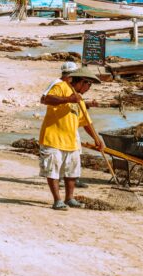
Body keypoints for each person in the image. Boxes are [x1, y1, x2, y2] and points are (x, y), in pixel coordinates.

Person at [38, 67, 105, 210]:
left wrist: (97, 139)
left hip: (71, 140)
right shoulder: (61, 86)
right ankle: (57, 200)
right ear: (82, 81)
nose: (89, 88)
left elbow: (85, 121)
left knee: (72, 172)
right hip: (53, 137)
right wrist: (68, 99)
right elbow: (47, 99)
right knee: (53, 170)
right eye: (89, 85)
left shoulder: (79, 99)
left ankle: (69, 198)